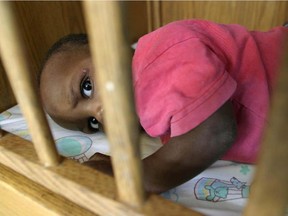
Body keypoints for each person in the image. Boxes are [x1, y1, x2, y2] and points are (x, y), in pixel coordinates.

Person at [39, 19, 288, 194]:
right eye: (92, 123)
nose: (99, 113)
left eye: (86, 87)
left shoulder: (156, 55)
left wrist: (136, 175)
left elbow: (214, 131)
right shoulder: (158, 119)